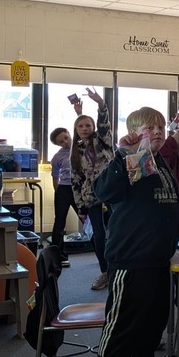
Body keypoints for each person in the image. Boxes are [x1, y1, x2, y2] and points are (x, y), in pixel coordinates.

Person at [92, 106, 179, 357]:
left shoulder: (162, 164)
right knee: (121, 327)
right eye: (149, 128)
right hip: (130, 260)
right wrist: (123, 155)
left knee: (153, 321)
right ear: (134, 133)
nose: (157, 132)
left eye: (160, 127)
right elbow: (102, 192)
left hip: (159, 260)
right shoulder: (131, 162)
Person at [70, 88, 115, 290]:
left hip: (113, 193)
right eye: (81, 126)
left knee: (119, 230)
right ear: (76, 129)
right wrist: (80, 207)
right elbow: (76, 180)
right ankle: (105, 271)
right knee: (98, 235)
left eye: (88, 125)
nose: (85, 128)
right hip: (93, 197)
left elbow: (104, 126)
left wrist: (101, 105)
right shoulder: (76, 151)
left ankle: (122, 268)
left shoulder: (103, 141)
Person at [49, 127, 74, 268]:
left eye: (66, 137)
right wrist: (58, 193)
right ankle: (60, 256)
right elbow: (55, 176)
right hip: (64, 188)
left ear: (70, 134)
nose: (65, 141)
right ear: (58, 144)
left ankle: (103, 253)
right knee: (59, 222)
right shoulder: (57, 157)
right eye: (61, 141)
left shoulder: (80, 148)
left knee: (89, 220)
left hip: (80, 188)